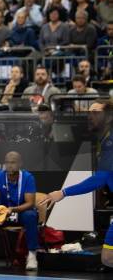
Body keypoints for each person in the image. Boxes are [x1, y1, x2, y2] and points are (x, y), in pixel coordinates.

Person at [40, 99, 112, 268]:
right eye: (89, 112)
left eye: (96, 113)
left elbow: (100, 178)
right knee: (108, 258)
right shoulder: (104, 139)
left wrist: (64, 192)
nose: (90, 116)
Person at [0, 151, 40, 270]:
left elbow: (30, 203)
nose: (9, 165)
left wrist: (13, 209)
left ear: (20, 164)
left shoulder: (28, 177)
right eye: (7, 162)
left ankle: (32, 255)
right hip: (3, 214)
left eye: (13, 162)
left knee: (31, 215)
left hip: (20, 213)